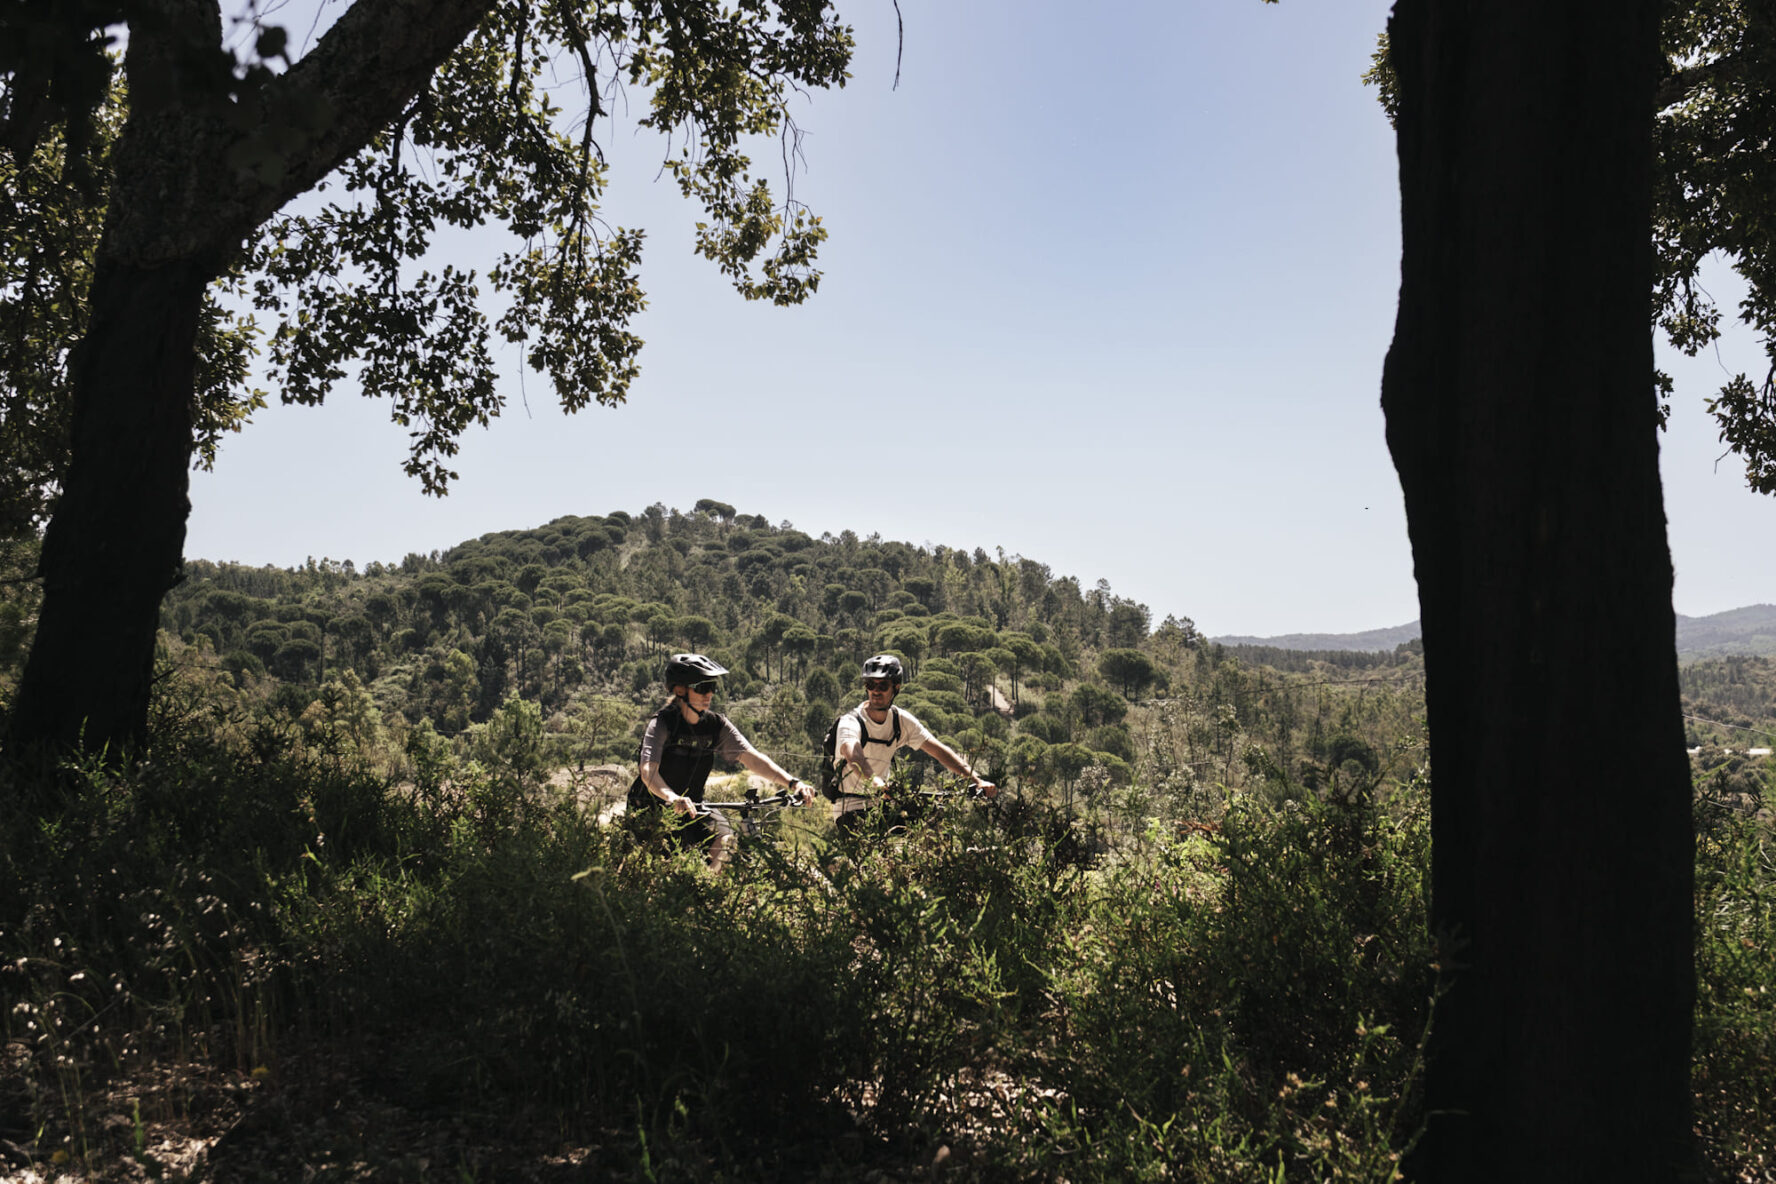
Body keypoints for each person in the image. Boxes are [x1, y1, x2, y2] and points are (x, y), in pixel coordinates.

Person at [627, 653, 813, 870]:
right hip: (651, 808)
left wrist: (793, 783)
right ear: (680, 691)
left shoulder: (716, 725)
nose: (709, 693)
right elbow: (648, 772)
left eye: (712, 686)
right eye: (702, 687)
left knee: (726, 841)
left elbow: (752, 758)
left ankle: (705, 891)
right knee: (663, 869)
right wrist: (672, 797)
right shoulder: (662, 723)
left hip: (693, 806)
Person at [830, 653, 996, 834]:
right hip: (849, 808)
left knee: (932, 827)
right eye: (870, 685)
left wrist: (976, 780)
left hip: (882, 806)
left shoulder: (900, 720)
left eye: (883, 685)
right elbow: (854, 757)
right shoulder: (851, 721)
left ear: (896, 688)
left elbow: (939, 750)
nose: (876, 691)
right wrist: (877, 784)